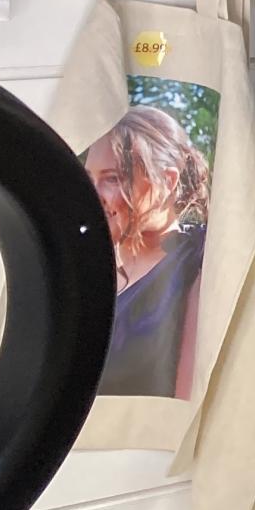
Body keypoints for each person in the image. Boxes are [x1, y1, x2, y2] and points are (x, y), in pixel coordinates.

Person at [82, 103, 212, 398]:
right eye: (90, 178)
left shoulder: (199, 264)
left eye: (112, 178)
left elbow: (188, 406)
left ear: (167, 181)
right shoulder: (86, 270)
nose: (94, 194)